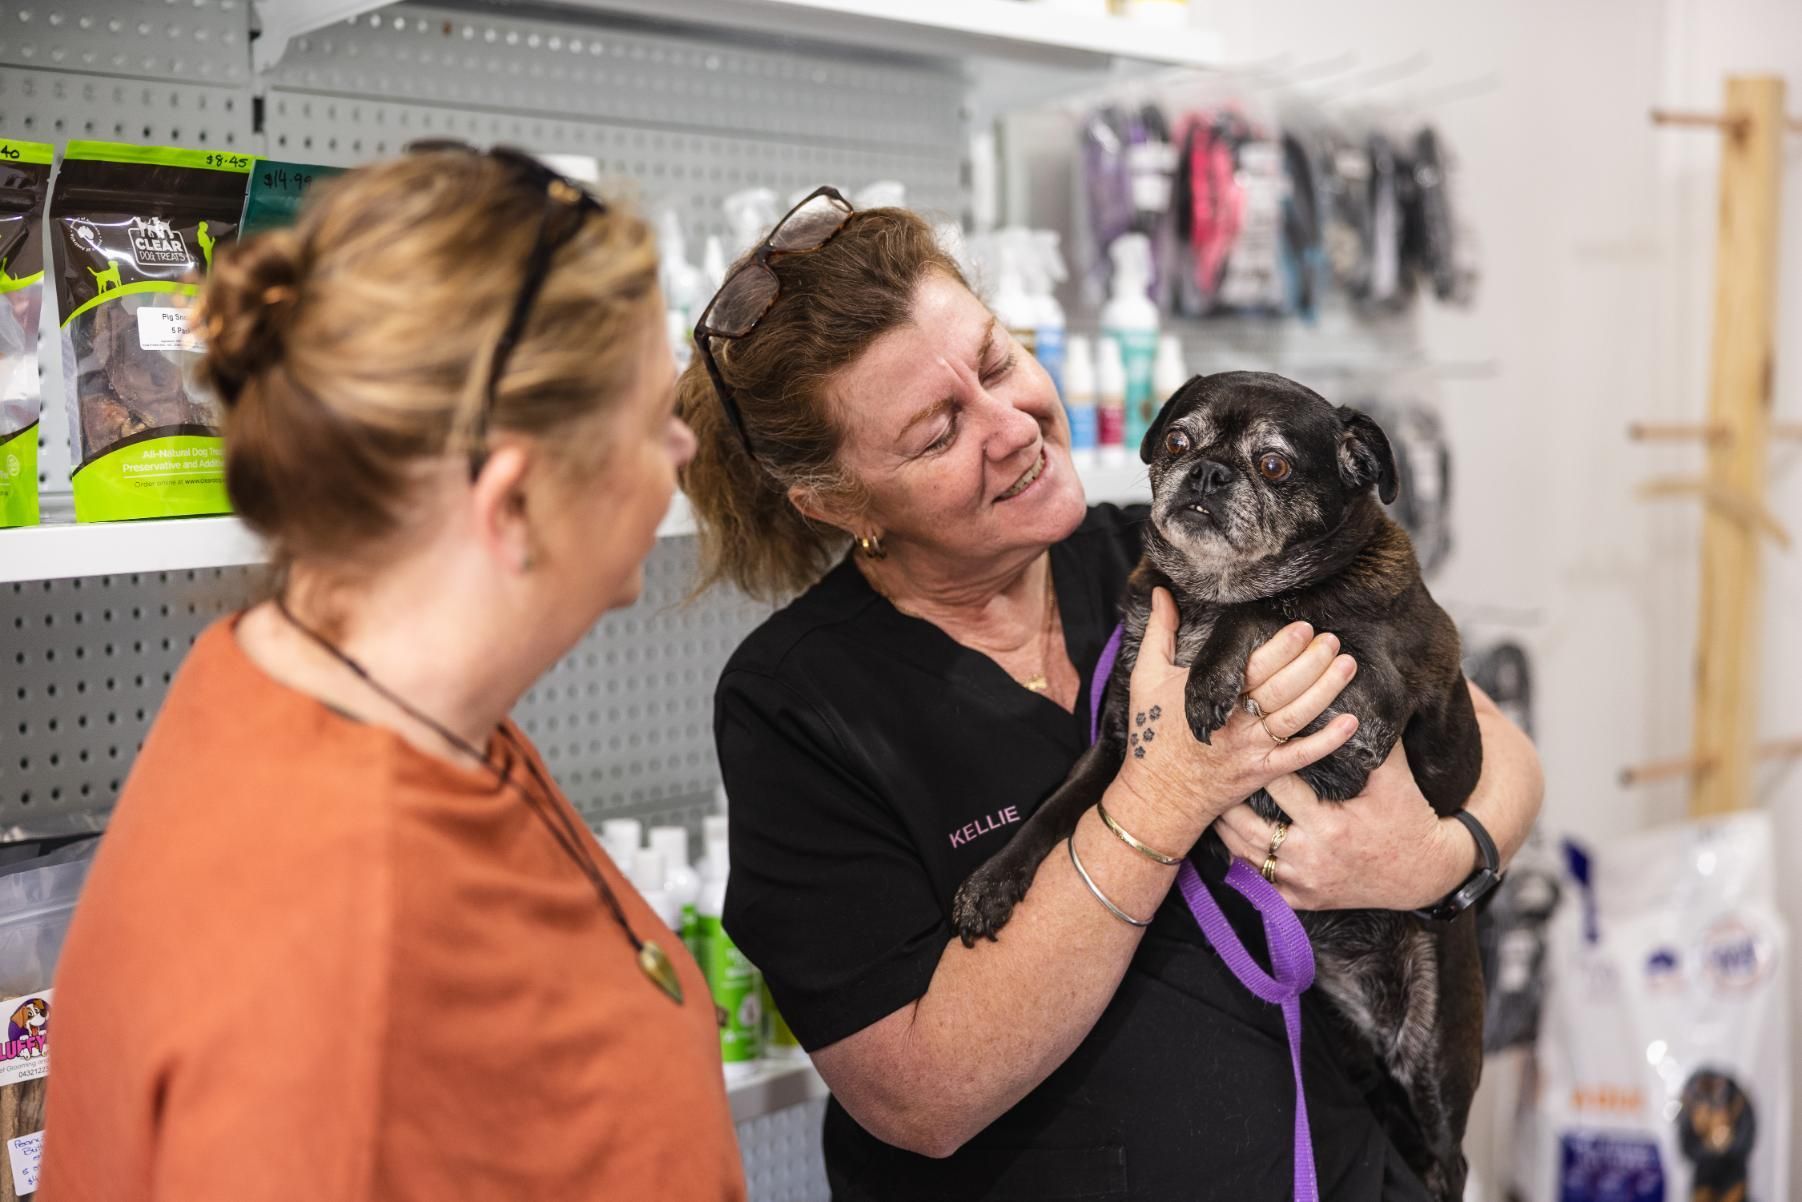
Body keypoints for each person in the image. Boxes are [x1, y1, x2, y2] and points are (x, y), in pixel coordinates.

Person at [678, 189, 1544, 1201]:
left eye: (998, 361)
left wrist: (1438, 857)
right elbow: (920, 1093)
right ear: (837, 502)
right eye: (935, 431)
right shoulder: (803, 703)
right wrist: (1167, 789)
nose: (1011, 427)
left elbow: (1492, 740)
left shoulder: (1175, 548)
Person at [40, 148, 746, 1202]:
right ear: (510, 503)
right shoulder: (330, 973)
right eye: (653, 421)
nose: (683, 448)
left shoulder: (351, 691)